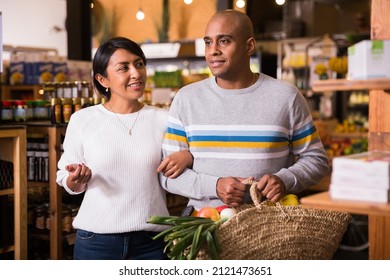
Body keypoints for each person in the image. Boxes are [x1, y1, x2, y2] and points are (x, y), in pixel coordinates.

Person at [159, 10, 329, 210]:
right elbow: (168, 176)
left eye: (224, 41)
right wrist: (214, 186)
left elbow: (317, 160)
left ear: (249, 46)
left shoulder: (286, 97)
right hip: (204, 228)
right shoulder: (186, 99)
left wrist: (285, 180)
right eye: (208, 42)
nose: (213, 50)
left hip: (269, 228)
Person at [56, 37, 193, 260]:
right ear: (103, 79)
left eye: (139, 64)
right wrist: (76, 179)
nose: (136, 73)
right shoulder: (83, 119)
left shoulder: (164, 119)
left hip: (153, 243)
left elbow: (185, 163)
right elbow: (66, 178)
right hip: (97, 242)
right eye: (123, 68)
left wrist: (187, 155)